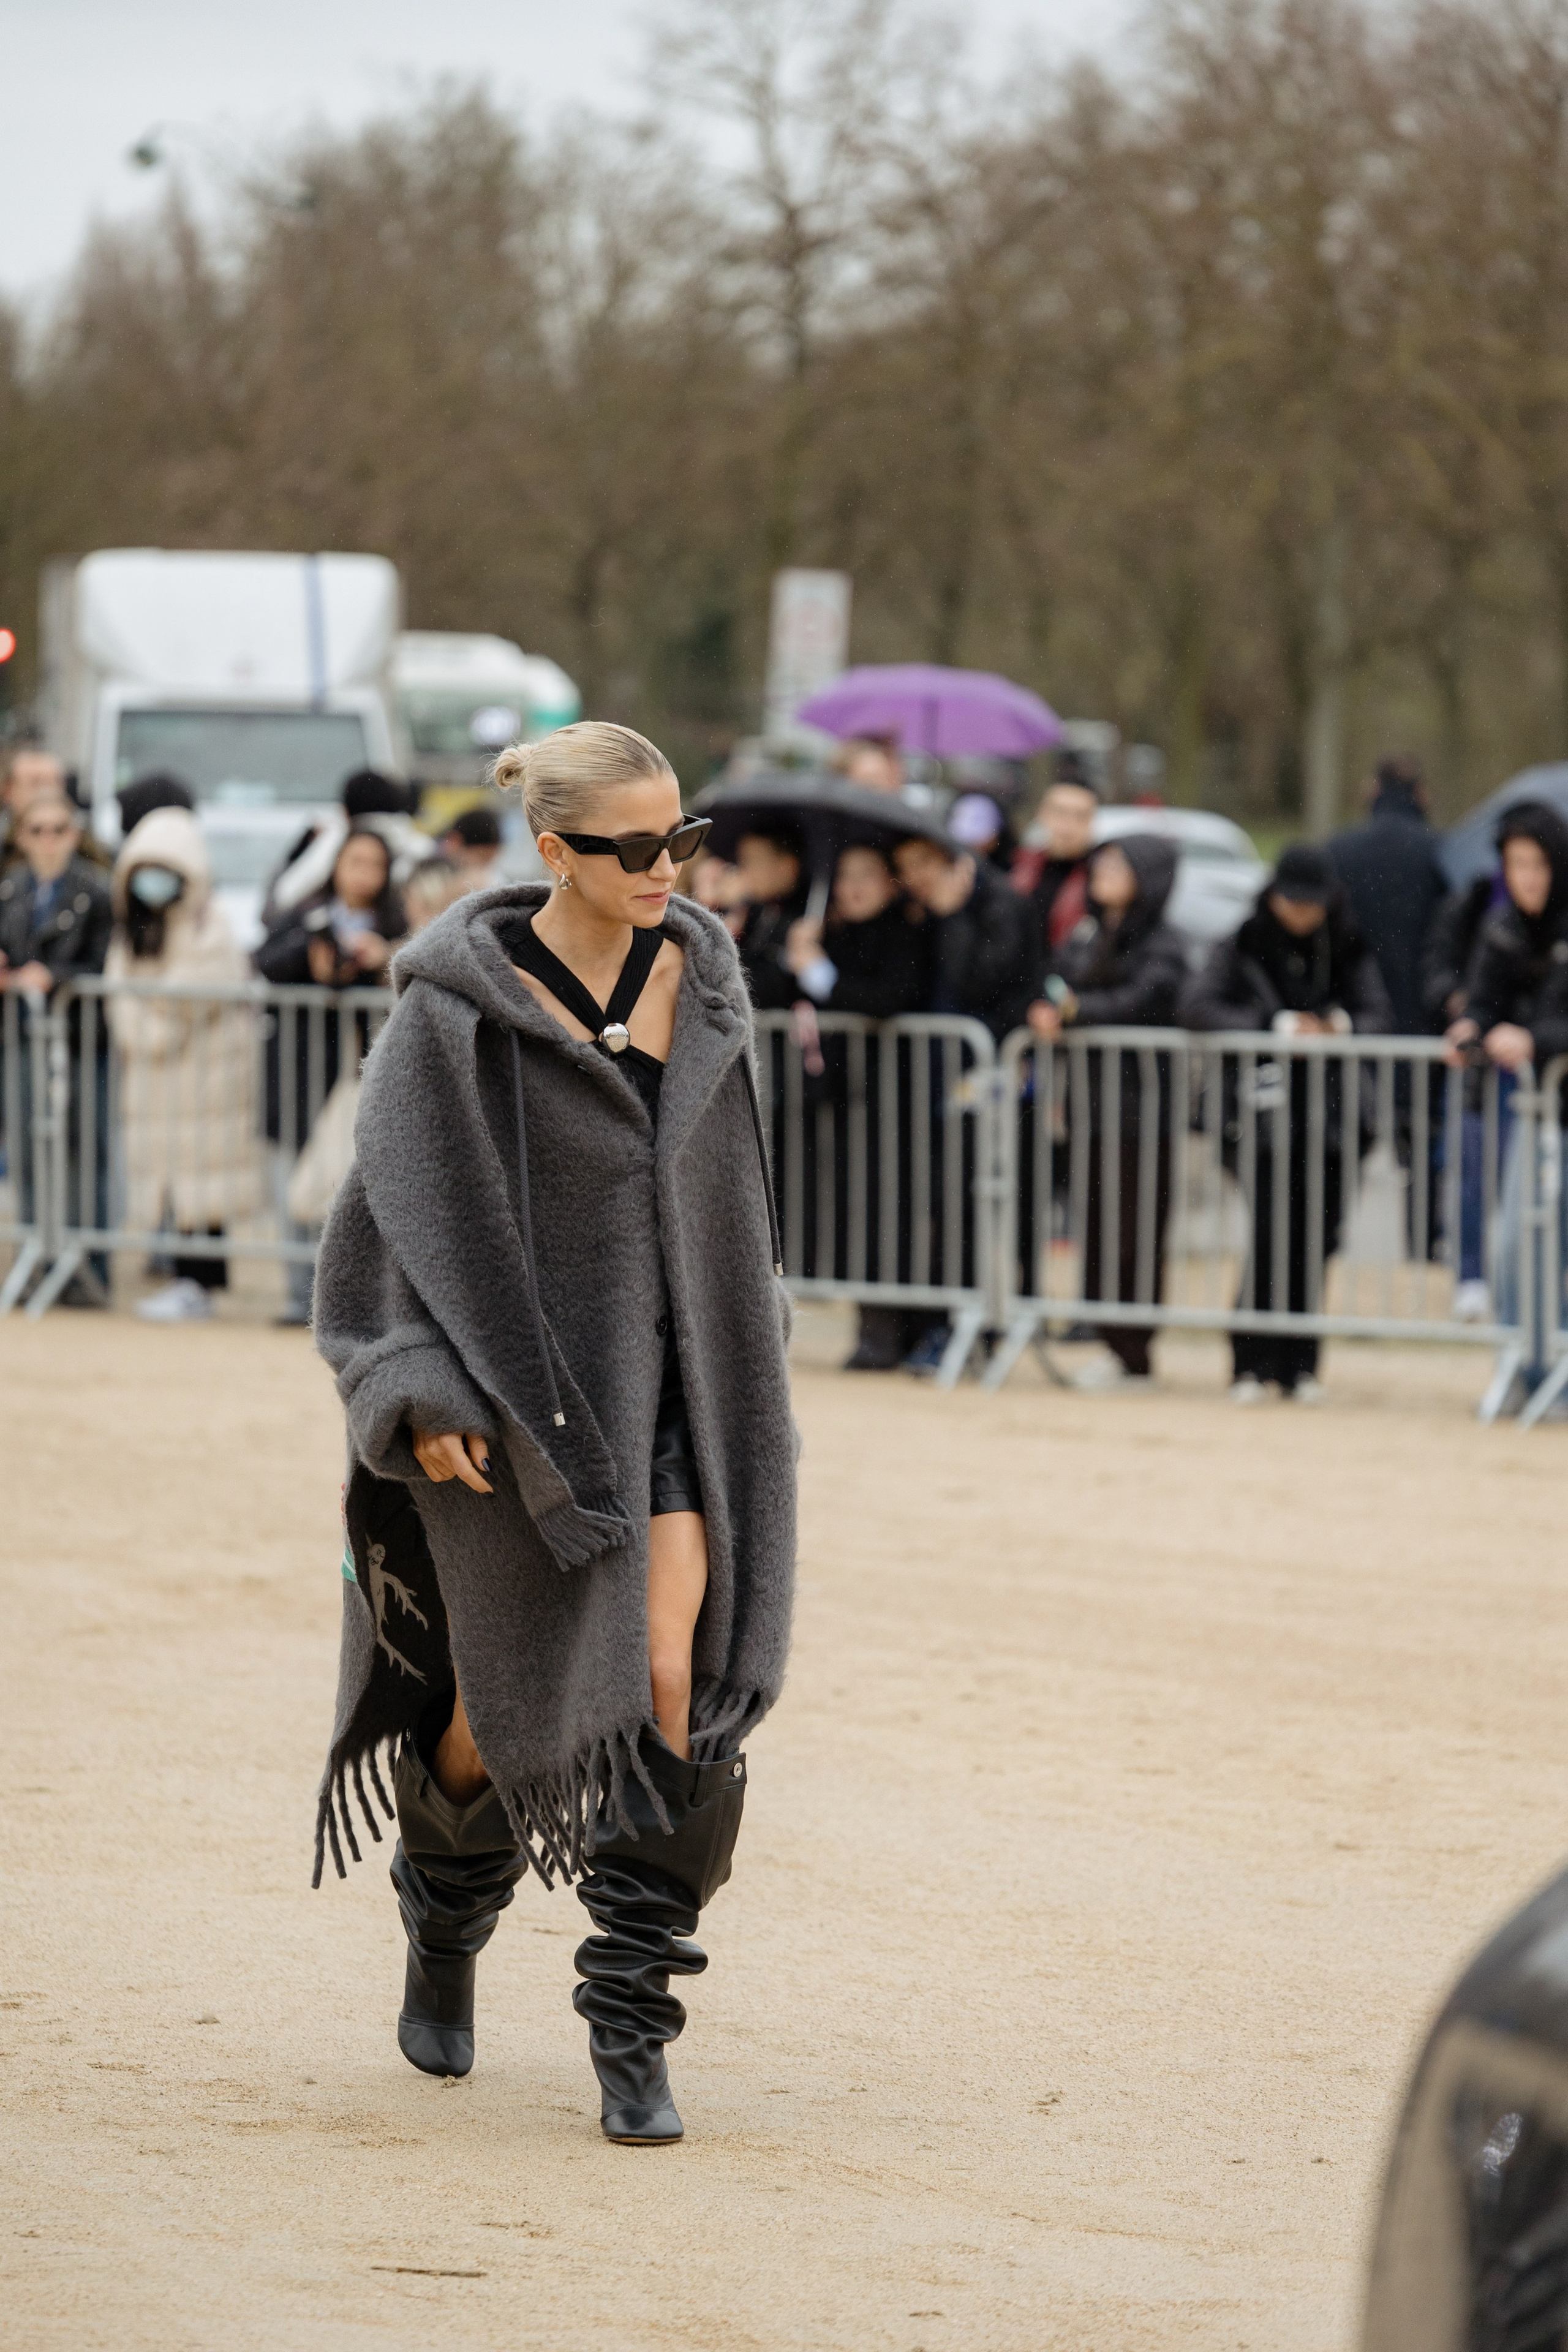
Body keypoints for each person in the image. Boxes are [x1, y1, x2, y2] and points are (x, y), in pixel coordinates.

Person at [310, 719, 796, 2149]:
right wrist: (415, 1388)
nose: (664, 869)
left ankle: (632, 2022)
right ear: (552, 852)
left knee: (666, 1673)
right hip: (505, 1398)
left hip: (673, 1394)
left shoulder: (705, 982)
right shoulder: (450, 1009)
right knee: (486, 1711)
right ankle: (443, 1913)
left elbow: (726, 1203)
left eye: (681, 841)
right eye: (631, 847)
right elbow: (379, 1222)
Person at [1182, 843, 1393, 1401]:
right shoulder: (1244, 942)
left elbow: (1379, 1014)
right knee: (1273, 1234)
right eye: (1291, 903)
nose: (1301, 915)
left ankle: (1300, 1365)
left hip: (1334, 1119)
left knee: (1318, 1239)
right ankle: (1250, 1360)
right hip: (1259, 1119)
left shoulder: (1347, 945)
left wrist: (1339, 1028)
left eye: (1311, 904)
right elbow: (1200, 1007)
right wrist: (1272, 1027)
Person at [1027, 836, 1186, 1387]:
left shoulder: (1165, 941)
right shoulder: (1089, 930)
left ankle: (1133, 1352)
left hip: (1144, 1110)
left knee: (1134, 1234)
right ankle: (1109, 1340)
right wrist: (1053, 1005)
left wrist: (1072, 1011)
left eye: (1118, 864)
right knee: (1095, 1225)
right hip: (1091, 1105)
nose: (1103, 872)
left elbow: (1146, 1000)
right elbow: (1055, 975)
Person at [105, 801, 260, 1323]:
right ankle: (180, 1274)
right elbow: (117, 993)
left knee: (204, 1185)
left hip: (206, 1078)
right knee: (171, 1178)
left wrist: (149, 1025)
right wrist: (144, 1025)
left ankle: (202, 1281)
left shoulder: (207, 923)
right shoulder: (134, 930)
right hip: (158, 1083)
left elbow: (192, 996)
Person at [783, 842, 933, 1370]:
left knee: (888, 1213)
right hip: (843, 1095)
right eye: (845, 875)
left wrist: (820, 971)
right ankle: (875, 1329)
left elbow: (888, 998)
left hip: (895, 1100)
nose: (853, 887)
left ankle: (893, 1332)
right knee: (855, 1212)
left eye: (867, 875)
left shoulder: (907, 932)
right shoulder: (831, 932)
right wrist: (796, 953)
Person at [255, 827, 407, 1324]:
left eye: (374, 863)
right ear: (335, 865)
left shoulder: (398, 925)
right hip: (297, 1066)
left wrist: (381, 958)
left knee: (354, 1187)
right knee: (295, 1180)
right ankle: (299, 1295)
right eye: (354, 861)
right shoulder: (304, 914)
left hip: (361, 1074)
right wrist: (312, 952)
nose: (363, 873)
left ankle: (352, 1303)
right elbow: (265, 961)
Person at [1449, 804, 1568, 1401]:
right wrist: (1469, 1029)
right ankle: (1527, 1366)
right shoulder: (1502, 928)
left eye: (1539, 863)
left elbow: (1549, 1024)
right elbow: (1484, 1002)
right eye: (1517, 863)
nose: (1528, 876)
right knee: (1517, 1243)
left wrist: (1536, 1042)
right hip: (1540, 1115)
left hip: (1556, 1102)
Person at [0, 788, 115, 1299]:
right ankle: (35, 1253)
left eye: (59, 829)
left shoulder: (97, 892)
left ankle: (88, 1266)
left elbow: (103, 965)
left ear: (75, 835)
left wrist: (54, 976)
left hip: (81, 1038)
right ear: (22, 837)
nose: (49, 840)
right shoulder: (10, 890)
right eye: (38, 830)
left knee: (81, 1148)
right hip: (23, 1037)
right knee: (25, 1145)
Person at [1423, 859, 1507, 1323]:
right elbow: (1437, 965)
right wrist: (1460, 1004)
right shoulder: (1471, 903)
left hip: (1530, 1065)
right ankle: (1471, 1276)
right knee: (1470, 1170)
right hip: (1477, 1065)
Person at [1327, 758, 1448, 1036]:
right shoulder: (1442, 852)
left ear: (1373, 790)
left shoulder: (1337, 851)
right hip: (1425, 1012)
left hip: (1357, 1016)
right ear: (1421, 793)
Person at [262, 769, 431, 928]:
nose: (365, 874)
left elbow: (282, 899)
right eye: (357, 863)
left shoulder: (338, 840)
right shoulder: (425, 847)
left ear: (346, 812)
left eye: (376, 864)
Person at [1009, 761, 1099, 956]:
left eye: (1080, 816)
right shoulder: (1019, 866)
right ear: (1042, 815)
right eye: (1060, 813)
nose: (1068, 826)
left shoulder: (1101, 879)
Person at [731, 826, 809, 1011]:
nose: (743, 871)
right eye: (742, 862)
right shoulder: (752, 909)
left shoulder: (809, 914)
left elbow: (769, 986)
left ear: (787, 866)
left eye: (752, 862)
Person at [440, 803, 504, 882]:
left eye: (489, 860)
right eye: (481, 857)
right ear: (455, 841)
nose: (483, 867)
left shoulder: (492, 878)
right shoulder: (425, 857)